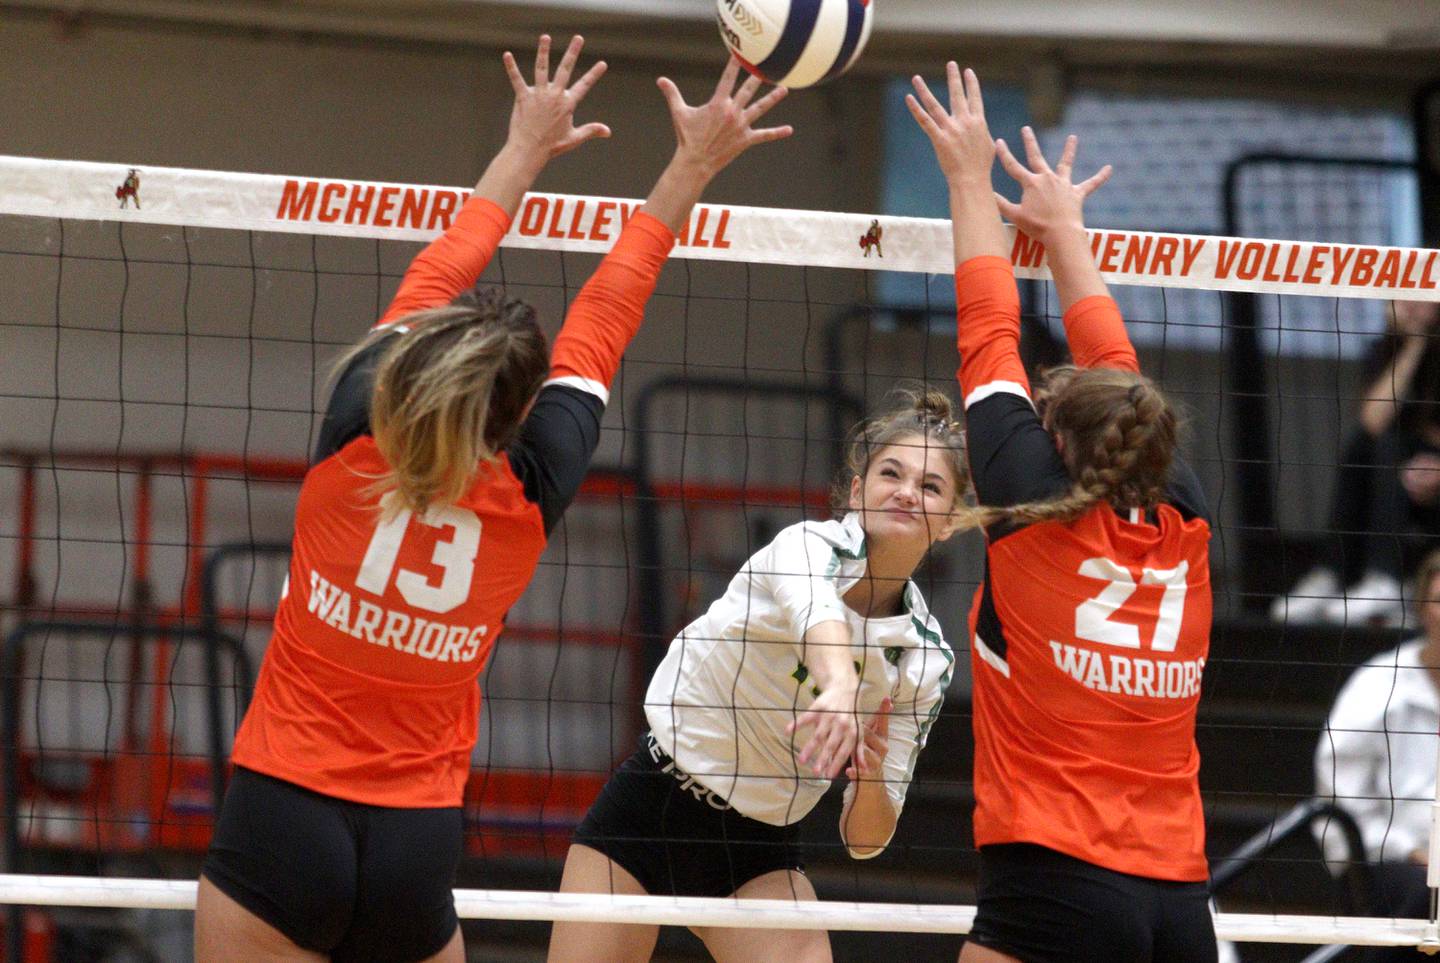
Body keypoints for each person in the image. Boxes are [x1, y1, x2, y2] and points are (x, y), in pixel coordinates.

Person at [194, 39, 793, 963]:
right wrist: (691, 165)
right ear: (521, 410)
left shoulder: (359, 429)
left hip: (282, 810)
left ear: (417, 367)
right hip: (415, 840)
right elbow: (607, 314)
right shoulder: (533, 487)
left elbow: (443, 267)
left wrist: (524, 145)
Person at [906, 64, 1218, 962]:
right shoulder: (1184, 522)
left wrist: (967, 178)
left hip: (1054, 879)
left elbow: (987, 325)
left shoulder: (1029, 505)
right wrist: (1063, 230)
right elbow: (1105, 368)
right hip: (1179, 903)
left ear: (1052, 440)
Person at [549, 389, 967, 963]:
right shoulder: (802, 547)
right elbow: (818, 615)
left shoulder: (925, 659)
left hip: (755, 851)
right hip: (649, 809)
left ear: (950, 522)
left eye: (930, 486)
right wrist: (842, 689)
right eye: (890, 472)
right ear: (855, 491)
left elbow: (866, 842)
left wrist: (869, 781)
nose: (905, 491)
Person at [1272, 299, 1440, 627]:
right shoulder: (1385, 348)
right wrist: (1413, 347)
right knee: (1367, 445)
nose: (1412, 306)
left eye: (1422, 296)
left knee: (1388, 449)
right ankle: (1337, 574)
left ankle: (1388, 579)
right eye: (1404, 296)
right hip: (1405, 474)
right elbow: (1373, 420)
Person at [1315, 547, 1440, 961]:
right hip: (1389, 861)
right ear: (1423, 608)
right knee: (1428, 898)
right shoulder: (1377, 687)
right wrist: (1410, 850)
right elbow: (1341, 806)